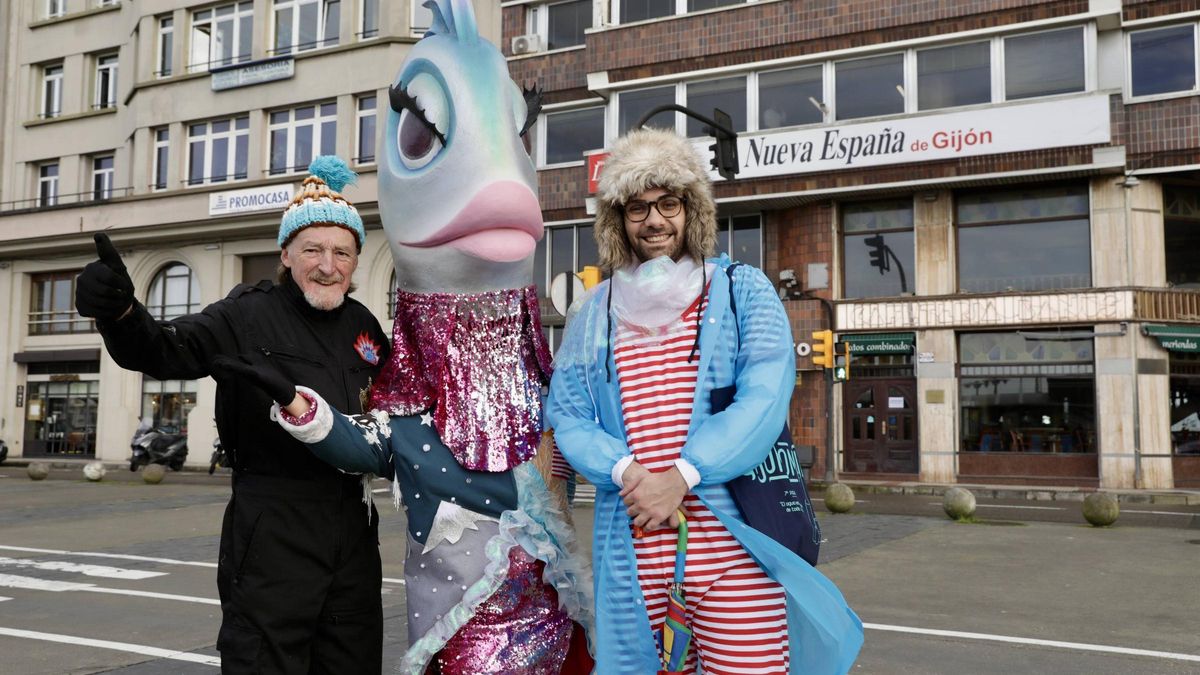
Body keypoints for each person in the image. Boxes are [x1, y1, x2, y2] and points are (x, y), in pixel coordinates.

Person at [547, 128, 862, 674]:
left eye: (668, 203)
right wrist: (625, 471)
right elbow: (569, 414)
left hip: (735, 552)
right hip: (634, 547)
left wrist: (682, 476)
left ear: (691, 211)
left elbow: (765, 397)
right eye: (638, 207)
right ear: (618, 221)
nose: (654, 221)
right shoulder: (594, 310)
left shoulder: (744, 289)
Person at [74, 157, 390, 675]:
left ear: (356, 260)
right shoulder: (247, 312)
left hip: (354, 534)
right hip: (273, 533)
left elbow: (394, 412)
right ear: (286, 253)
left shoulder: (365, 326)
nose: (328, 265)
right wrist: (122, 313)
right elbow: (166, 351)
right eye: (313, 249)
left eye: (342, 252)